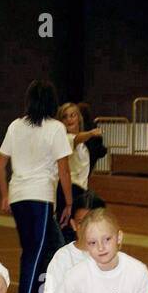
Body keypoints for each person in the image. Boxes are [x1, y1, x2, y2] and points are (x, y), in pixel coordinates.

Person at [0, 80, 71, 293]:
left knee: (48, 251)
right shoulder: (56, 128)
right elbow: (63, 169)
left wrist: (6, 195)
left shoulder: (16, 126)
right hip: (39, 198)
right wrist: (69, 202)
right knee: (34, 256)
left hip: (19, 197)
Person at [58, 102, 101, 243]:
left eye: (73, 115)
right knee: (68, 231)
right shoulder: (65, 139)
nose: (69, 119)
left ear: (78, 118)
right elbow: (77, 138)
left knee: (78, 230)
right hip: (69, 190)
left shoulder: (83, 145)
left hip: (80, 191)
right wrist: (91, 133)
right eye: (65, 117)